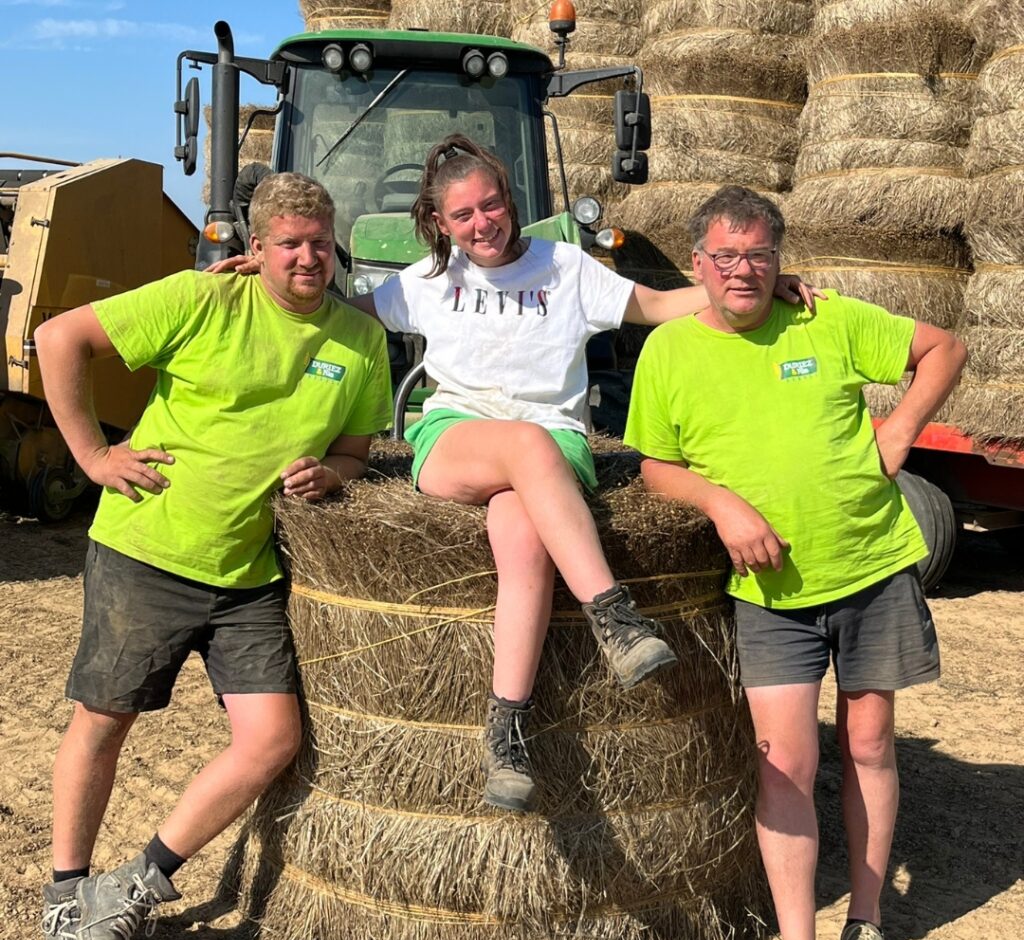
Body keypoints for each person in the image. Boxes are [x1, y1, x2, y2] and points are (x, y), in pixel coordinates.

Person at [217, 133, 818, 814]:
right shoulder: (425, 282)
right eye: (464, 214)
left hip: (556, 448)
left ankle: (506, 728)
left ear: (512, 200)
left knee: (522, 537)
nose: (482, 223)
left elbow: (654, 307)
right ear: (440, 223)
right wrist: (261, 278)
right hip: (455, 444)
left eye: (492, 205)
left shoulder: (566, 266)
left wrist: (752, 287)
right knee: (525, 445)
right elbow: (333, 310)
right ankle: (614, 617)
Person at [34, 172, 392, 940]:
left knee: (271, 740)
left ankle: (133, 888)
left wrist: (331, 475)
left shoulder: (359, 339)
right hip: (148, 551)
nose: (308, 258)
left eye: (319, 241)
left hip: (252, 573)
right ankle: (64, 894)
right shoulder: (204, 301)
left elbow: (355, 451)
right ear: (256, 248)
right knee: (102, 721)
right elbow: (59, 338)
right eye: (290, 244)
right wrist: (92, 457)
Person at [623, 185, 967, 940]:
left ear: (781, 260)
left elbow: (944, 349)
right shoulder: (669, 352)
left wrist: (902, 428)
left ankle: (870, 921)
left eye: (759, 256)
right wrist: (723, 505)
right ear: (698, 264)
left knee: (869, 742)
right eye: (726, 257)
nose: (743, 272)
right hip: (768, 594)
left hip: (871, 566)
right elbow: (653, 467)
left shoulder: (828, 318)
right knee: (784, 763)